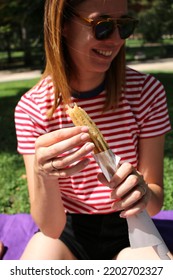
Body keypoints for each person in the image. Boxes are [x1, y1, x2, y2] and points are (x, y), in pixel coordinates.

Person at [15, 0, 171, 260]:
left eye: (124, 26)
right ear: (63, 25)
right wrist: (43, 174)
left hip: (133, 225)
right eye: (103, 26)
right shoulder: (32, 108)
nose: (116, 39)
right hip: (68, 231)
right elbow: (51, 228)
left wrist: (143, 192)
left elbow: (155, 203)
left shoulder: (145, 92)